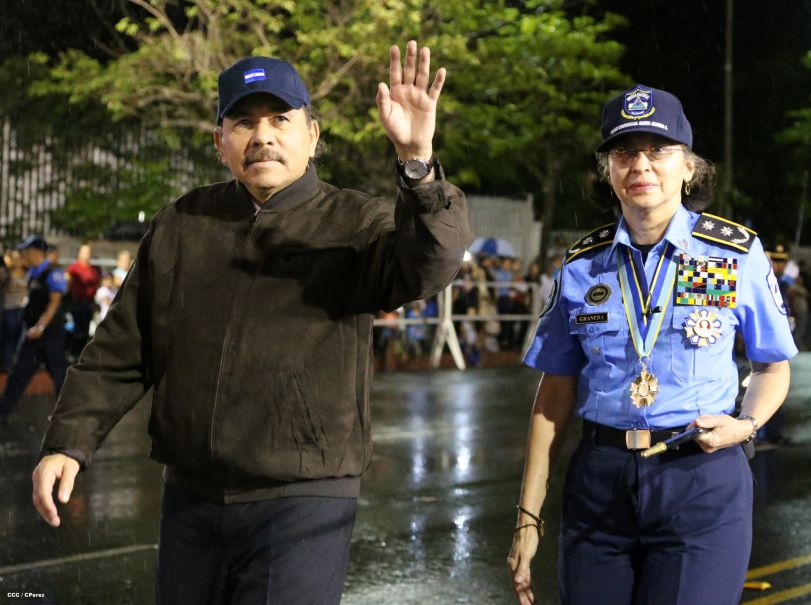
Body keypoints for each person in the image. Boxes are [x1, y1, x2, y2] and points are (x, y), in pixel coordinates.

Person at [32, 42, 471, 604]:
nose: (262, 135)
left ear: (312, 136)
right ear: (221, 144)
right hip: (191, 496)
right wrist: (66, 443)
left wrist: (417, 165)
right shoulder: (181, 223)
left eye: (280, 119)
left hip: (304, 498)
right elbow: (119, 349)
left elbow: (429, 266)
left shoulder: (358, 221)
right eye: (243, 121)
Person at [507, 84, 796, 605]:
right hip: (600, 483)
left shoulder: (733, 254)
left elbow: (772, 367)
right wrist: (528, 518)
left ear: (689, 167)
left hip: (701, 475)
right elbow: (553, 399)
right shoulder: (581, 265)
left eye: (658, 150)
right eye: (623, 152)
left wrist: (746, 425)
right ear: (609, 172)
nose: (640, 164)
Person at [0, 236, 69, 427]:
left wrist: (41, 326)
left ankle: (68, 417)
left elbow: (54, 303)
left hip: (51, 334)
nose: (23, 255)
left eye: (26, 251)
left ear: (36, 252)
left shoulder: (52, 272)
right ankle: (3, 412)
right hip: (32, 334)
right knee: (18, 373)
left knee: (60, 376)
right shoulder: (33, 273)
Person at [65, 242, 101, 360]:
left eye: (89, 252)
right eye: (85, 251)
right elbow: (68, 284)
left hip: (88, 304)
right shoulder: (73, 268)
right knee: (76, 330)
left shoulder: (93, 270)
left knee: (85, 331)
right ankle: (73, 354)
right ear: (79, 253)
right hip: (77, 303)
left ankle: (80, 354)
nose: (87, 254)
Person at [1, 250, 28, 371]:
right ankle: (7, 364)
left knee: (20, 339)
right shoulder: (7, 274)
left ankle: (16, 364)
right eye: (14, 258)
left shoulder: (27, 273)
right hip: (10, 310)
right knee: (9, 339)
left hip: (23, 310)